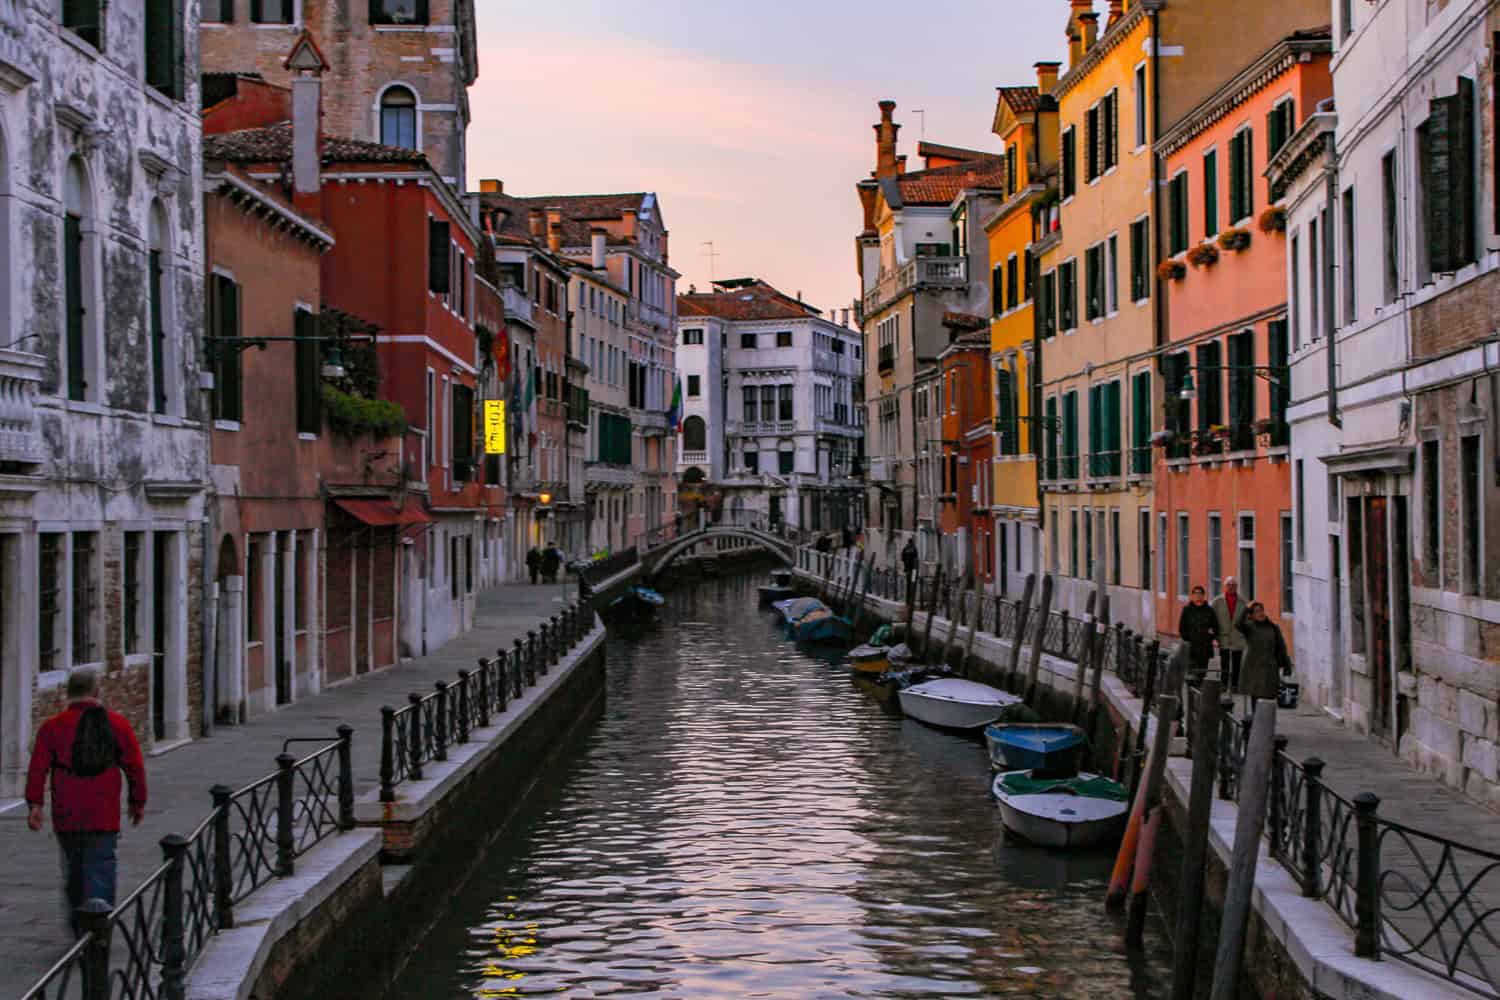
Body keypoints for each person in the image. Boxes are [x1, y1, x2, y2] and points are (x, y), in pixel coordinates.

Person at [25, 669, 148, 935]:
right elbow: (135, 767)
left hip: (66, 813)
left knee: (74, 869)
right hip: (104, 811)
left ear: (68, 693)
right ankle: (98, 928)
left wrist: (35, 805)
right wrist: (137, 803)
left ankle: (79, 924)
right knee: (101, 865)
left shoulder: (52, 727)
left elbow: (38, 769)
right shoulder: (118, 725)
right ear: (97, 692)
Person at [1237, 601, 1293, 710]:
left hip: (1270, 667)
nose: (1260, 613)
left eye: (1261, 610)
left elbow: (1281, 647)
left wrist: (1287, 665)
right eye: (1256, 611)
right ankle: (1255, 722)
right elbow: (1238, 624)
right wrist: (1246, 610)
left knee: (1269, 697)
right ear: (1252, 615)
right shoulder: (1249, 627)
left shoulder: (1273, 627)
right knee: (1256, 697)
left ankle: (1266, 722)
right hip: (1254, 667)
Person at [1213, 576, 1249, 692]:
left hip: (1238, 636)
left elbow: (1247, 619)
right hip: (1223, 636)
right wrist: (1214, 635)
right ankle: (1223, 684)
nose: (1231, 587)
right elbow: (1212, 618)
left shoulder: (1243, 602)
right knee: (1224, 662)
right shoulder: (1217, 601)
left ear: (1237, 587)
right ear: (1225, 586)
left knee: (1237, 662)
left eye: (1234, 585)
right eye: (1229, 585)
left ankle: (1234, 685)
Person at [1178, 585, 1218, 683]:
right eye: (1196, 593)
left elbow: (1216, 627)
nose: (1198, 596)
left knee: (1203, 673)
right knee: (1191, 674)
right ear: (1192, 596)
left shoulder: (1209, 610)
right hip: (1192, 647)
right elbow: (1182, 628)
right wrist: (1188, 639)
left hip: (1205, 647)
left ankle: (1202, 693)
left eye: (1200, 594)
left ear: (1203, 596)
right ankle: (1191, 692)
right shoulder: (1187, 610)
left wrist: (1210, 636)